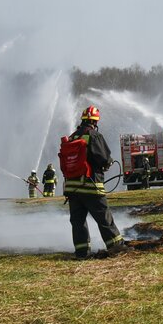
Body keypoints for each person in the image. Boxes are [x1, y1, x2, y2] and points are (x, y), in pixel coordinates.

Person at [63, 106, 126, 259]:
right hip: (91, 186)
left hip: (72, 189)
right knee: (104, 219)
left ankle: (82, 252)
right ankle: (116, 247)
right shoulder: (94, 136)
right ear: (94, 121)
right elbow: (104, 158)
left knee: (78, 222)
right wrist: (107, 163)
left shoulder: (72, 137)